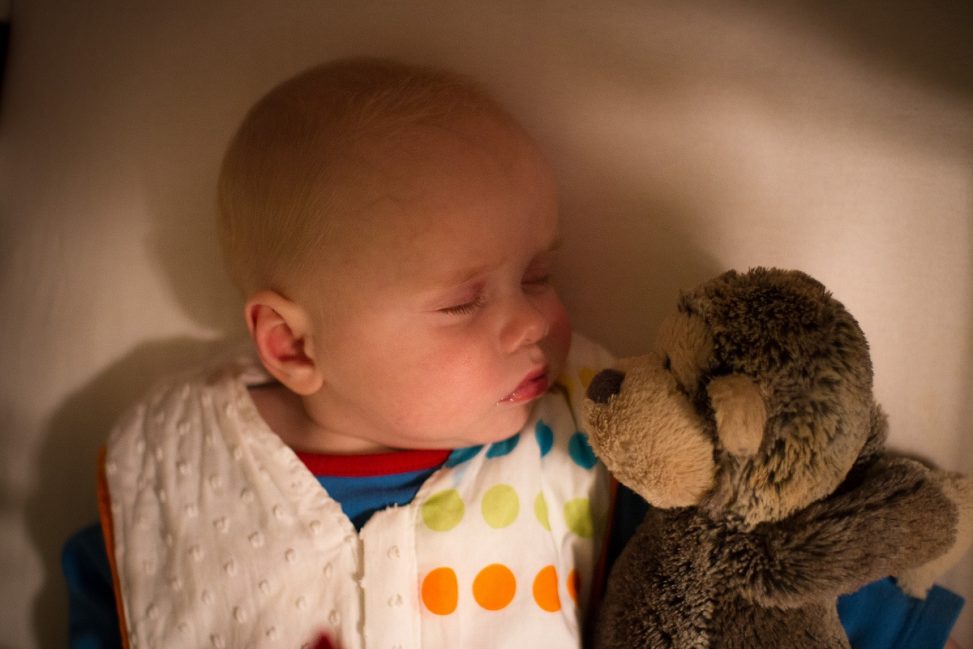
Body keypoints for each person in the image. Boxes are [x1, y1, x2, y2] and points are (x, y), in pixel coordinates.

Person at [62, 58, 964, 648]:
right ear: (292, 343)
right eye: (463, 300)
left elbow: (737, 557)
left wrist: (881, 609)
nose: (532, 322)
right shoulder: (179, 467)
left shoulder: (579, 437)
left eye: (538, 274)